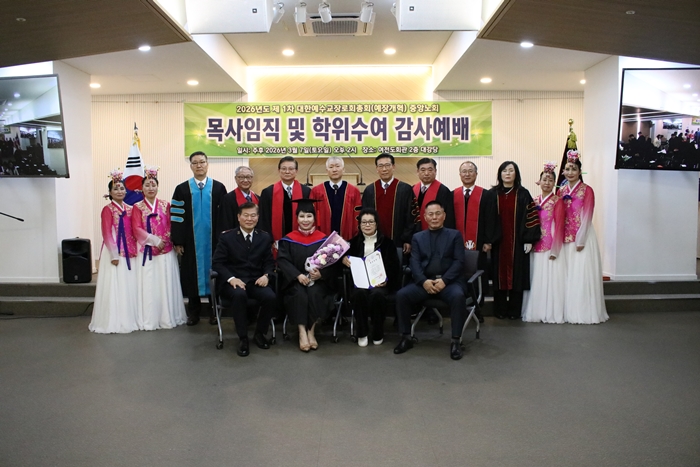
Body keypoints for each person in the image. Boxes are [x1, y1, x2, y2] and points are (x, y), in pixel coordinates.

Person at [394, 201, 468, 360]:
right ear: (425, 217)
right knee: (402, 295)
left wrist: (444, 281)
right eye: (431, 214)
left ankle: (456, 341)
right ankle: (406, 337)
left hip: (449, 283)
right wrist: (423, 281)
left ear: (444, 216)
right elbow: (414, 263)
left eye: (438, 213)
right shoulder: (417, 237)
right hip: (425, 283)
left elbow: (459, 262)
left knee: (458, 296)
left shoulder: (454, 235)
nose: (434, 217)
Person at [212, 202, 276, 357]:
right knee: (239, 295)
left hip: (255, 281)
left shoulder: (264, 237)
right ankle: (243, 338)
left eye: (253, 215)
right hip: (233, 282)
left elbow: (269, 262)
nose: (249, 219)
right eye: (246, 215)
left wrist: (267, 275)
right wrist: (231, 278)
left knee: (270, 297)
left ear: (258, 217)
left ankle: (260, 333)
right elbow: (217, 263)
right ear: (238, 217)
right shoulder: (227, 237)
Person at [171, 151, 227, 326]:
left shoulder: (218, 188)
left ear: (207, 164)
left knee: (215, 273)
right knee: (191, 275)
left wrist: (224, 240)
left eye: (202, 162)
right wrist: (178, 241)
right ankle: (193, 313)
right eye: (195, 163)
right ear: (191, 166)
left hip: (214, 241)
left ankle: (214, 311)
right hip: (190, 242)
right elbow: (177, 217)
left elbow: (224, 216)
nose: (199, 165)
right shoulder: (181, 189)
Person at [277, 200, 339, 352]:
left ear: (314, 218)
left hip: (317, 282)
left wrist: (321, 274)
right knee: (299, 294)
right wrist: (297, 275)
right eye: (302, 216)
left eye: (309, 216)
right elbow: (283, 261)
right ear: (297, 218)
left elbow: (333, 264)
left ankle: (311, 331)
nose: (306, 220)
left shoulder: (324, 240)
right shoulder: (288, 239)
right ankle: (302, 332)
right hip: (295, 281)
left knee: (315, 293)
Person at [131, 167, 187, 330]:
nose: (150, 188)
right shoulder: (137, 207)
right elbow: (136, 228)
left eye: (153, 185)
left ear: (158, 187)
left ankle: (168, 316)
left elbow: (171, 224)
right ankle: (149, 318)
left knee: (165, 283)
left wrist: (165, 240)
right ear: (142, 188)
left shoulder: (165, 205)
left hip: (166, 249)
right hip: (147, 250)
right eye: (147, 185)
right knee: (149, 284)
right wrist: (154, 240)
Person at [560, 151, 609, 324]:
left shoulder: (587, 190)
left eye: (574, 169)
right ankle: (568, 311)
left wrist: (580, 239)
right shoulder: (561, 190)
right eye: (567, 169)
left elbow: (587, 215)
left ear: (580, 171)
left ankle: (584, 312)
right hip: (565, 238)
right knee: (568, 276)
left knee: (581, 275)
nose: (570, 172)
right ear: (563, 171)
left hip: (583, 237)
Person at [89, 170, 140, 334]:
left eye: (122, 188)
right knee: (115, 286)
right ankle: (113, 320)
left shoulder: (131, 208)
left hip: (130, 251)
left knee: (128, 285)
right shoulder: (108, 209)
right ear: (110, 193)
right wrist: (114, 254)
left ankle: (128, 318)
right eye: (116, 189)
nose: (119, 191)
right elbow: (106, 233)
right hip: (115, 253)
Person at [341, 208, 402, 347]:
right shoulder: (351, 243)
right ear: (359, 225)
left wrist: (386, 280)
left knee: (377, 295)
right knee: (359, 294)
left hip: (380, 283)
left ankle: (378, 331)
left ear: (376, 224)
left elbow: (394, 267)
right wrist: (343, 259)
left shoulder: (387, 243)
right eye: (364, 222)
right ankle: (362, 332)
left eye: (370, 222)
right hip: (359, 284)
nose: (367, 225)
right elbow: (339, 262)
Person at [489, 161, 541, 320]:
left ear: (516, 174)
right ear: (500, 174)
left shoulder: (523, 194)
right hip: (498, 243)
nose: (507, 173)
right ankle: (499, 309)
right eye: (504, 171)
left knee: (517, 276)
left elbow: (531, 217)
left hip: (517, 243)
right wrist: (488, 239)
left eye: (511, 170)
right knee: (498, 276)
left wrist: (529, 239)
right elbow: (486, 218)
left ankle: (514, 311)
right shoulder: (492, 194)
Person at [451, 161, 499, 316]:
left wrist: (488, 241)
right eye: (464, 171)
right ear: (459, 174)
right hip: (457, 244)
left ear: (476, 174)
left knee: (478, 274)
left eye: (470, 171)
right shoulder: (453, 195)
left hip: (479, 244)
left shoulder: (486, 195)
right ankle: (459, 307)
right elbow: (450, 220)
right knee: (458, 273)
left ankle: (478, 308)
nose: (467, 174)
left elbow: (491, 219)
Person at [522, 163, 566, 323]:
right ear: (538, 182)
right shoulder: (533, 201)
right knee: (536, 279)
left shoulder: (557, 201)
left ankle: (549, 312)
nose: (547, 183)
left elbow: (560, 226)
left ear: (554, 183)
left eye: (550, 180)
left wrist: (556, 249)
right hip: (535, 245)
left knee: (550, 280)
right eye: (544, 179)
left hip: (550, 245)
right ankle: (535, 310)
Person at [361, 153, 417, 256]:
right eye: (381, 166)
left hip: (398, 242)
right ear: (377, 169)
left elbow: (411, 217)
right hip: (373, 242)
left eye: (387, 165)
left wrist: (407, 239)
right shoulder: (370, 190)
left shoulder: (405, 189)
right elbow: (364, 216)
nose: (384, 169)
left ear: (393, 167)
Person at [258, 156, 311, 245]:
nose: (287, 171)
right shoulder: (268, 192)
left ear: (296, 171)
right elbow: (263, 219)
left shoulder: (306, 191)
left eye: (291, 169)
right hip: (275, 243)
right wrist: (270, 240)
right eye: (284, 169)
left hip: (301, 242)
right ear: (279, 171)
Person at [310, 156, 362, 240]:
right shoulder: (317, 191)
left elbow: (357, 216)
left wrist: (354, 236)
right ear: (327, 171)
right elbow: (313, 215)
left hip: (347, 238)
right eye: (331, 167)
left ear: (343, 169)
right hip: (322, 238)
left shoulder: (353, 191)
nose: (334, 170)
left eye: (337, 166)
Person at [413, 157, 454, 231]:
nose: (426, 173)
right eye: (423, 170)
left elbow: (449, 218)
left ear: (435, 171)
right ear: (417, 172)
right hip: (415, 233)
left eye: (430, 170)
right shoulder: (412, 189)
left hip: (437, 232)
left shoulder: (443, 191)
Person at [218, 166, 259, 232]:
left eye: (248, 177)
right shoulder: (227, 199)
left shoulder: (258, 199)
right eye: (241, 177)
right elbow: (225, 224)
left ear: (252, 179)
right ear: (236, 178)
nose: (245, 180)